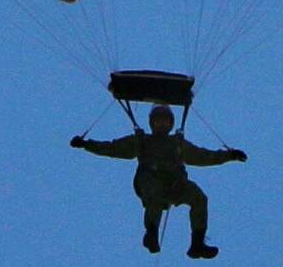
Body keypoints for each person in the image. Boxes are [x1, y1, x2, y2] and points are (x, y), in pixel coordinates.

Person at [70, 103, 246, 257]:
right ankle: (152, 234)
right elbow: (111, 148)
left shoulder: (177, 144)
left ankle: (197, 244)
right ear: (151, 123)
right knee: (155, 195)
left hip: (176, 185)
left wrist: (230, 155)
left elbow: (203, 156)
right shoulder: (142, 141)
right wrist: (86, 144)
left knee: (199, 198)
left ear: (171, 123)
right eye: (158, 120)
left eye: (165, 120)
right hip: (150, 181)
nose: (161, 123)